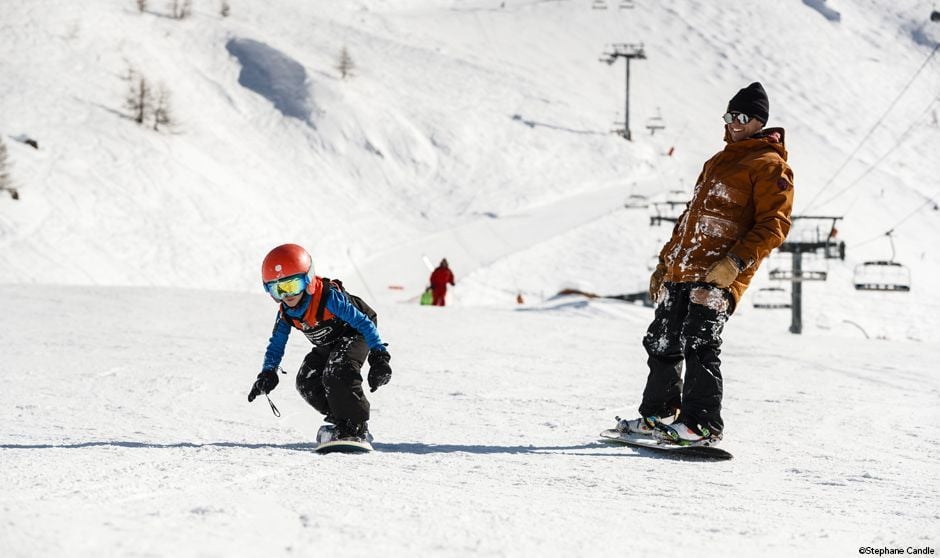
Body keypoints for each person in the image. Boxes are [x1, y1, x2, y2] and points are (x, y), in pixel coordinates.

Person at [616, 82, 794, 446]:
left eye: (741, 117)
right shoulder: (716, 162)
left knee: (699, 342)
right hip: (684, 267)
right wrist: (666, 262)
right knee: (662, 340)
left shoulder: (770, 166)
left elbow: (774, 225)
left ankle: (702, 424)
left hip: (719, 273)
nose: (733, 123)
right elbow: (690, 219)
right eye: (729, 116)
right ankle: (658, 415)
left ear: (759, 121)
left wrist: (735, 262)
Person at [248, 243, 392, 443]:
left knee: (338, 370)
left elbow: (363, 323)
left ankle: (356, 426)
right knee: (307, 381)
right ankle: (342, 421)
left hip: (357, 331)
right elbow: (276, 344)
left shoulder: (329, 299)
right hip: (332, 340)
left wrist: (379, 356)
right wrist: (268, 372)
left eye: (292, 285)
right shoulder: (286, 314)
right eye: (279, 289)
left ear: (307, 280)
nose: (287, 295)